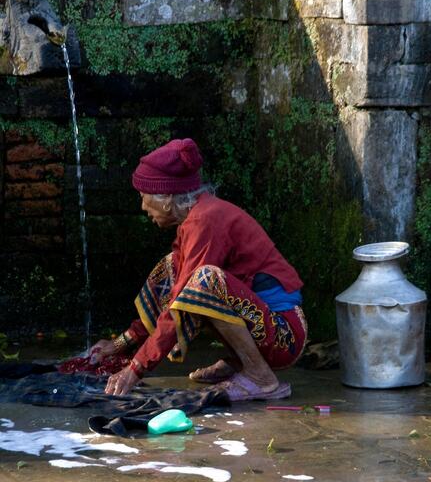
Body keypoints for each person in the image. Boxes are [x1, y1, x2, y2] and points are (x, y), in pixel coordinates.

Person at [90, 138, 307, 401]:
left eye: (143, 197)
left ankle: (260, 376)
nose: (143, 206)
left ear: (167, 197)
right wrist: (121, 344)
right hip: (267, 328)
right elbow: (173, 293)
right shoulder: (195, 218)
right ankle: (240, 361)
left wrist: (135, 369)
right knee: (171, 267)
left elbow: (180, 302)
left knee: (204, 280)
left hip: (285, 337)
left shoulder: (205, 220)